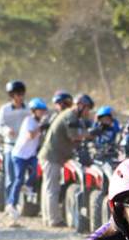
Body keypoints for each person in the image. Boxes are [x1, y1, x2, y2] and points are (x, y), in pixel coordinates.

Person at [38, 93, 92, 227]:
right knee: (52, 189)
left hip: (51, 155)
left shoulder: (69, 115)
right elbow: (74, 136)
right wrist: (91, 134)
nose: (88, 112)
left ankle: (48, 218)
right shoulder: (70, 116)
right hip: (52, 156)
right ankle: (54, 220)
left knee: (48, 188)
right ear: (80, 106)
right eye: (87, 109)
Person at [6, 97, 47, 223]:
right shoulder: (29, 120)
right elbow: (31, 136)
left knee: (38, 169)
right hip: (19, 155)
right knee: (18, 179)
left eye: (43, 110)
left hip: (31, 155)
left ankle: (28, 186)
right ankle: (11, 203)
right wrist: (42, 126)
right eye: (39, 110)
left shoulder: (38, 122)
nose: (42, 112)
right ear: (34, 111)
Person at [0, 80, 29, 215]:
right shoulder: (4, 109)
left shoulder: (28, 109)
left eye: (22, 94)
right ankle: (10, 204)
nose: (20, 97)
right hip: (11, 146)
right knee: (11, 176)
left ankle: (26, 204)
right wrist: (6, 131)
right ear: (12, 95)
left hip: (26, 146)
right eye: (18, 94)